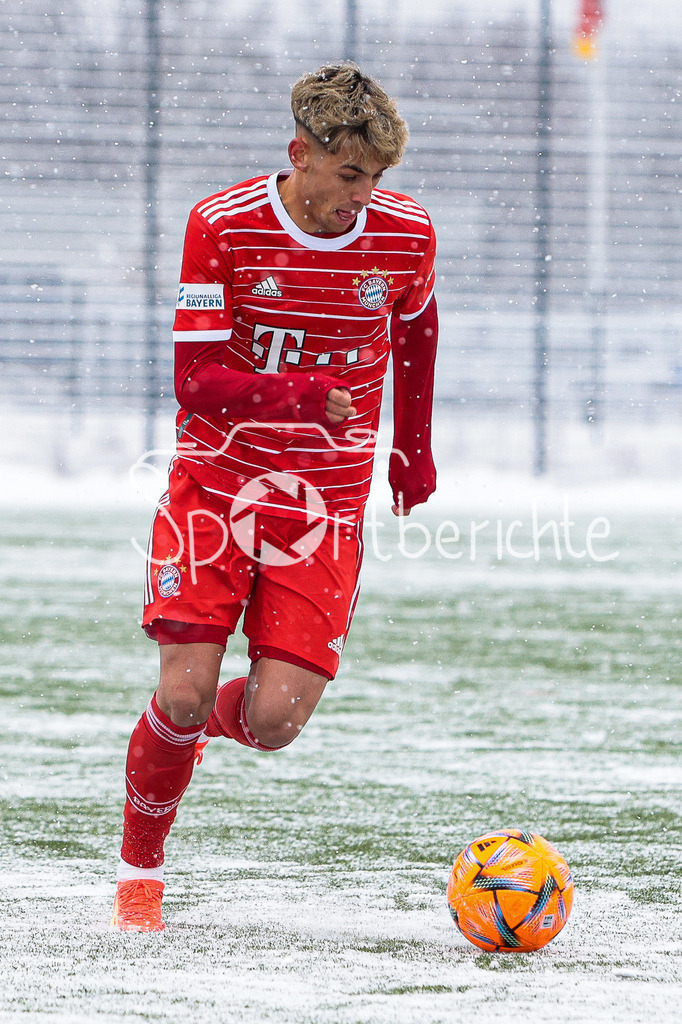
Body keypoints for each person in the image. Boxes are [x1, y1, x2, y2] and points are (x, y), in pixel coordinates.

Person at [111, 62, 438, 932]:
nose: (363, 197)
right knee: (181, 691)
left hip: (324, 503)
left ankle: (185, 740)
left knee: (275, 721)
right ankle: (139, 875)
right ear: (301, 153)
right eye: (349, 176)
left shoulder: (404, 235)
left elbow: (416, 327)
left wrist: (413, 449)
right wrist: (297, 394)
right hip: (215, 486)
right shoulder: (221, 225)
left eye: (376, 179)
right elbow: (192, 377)